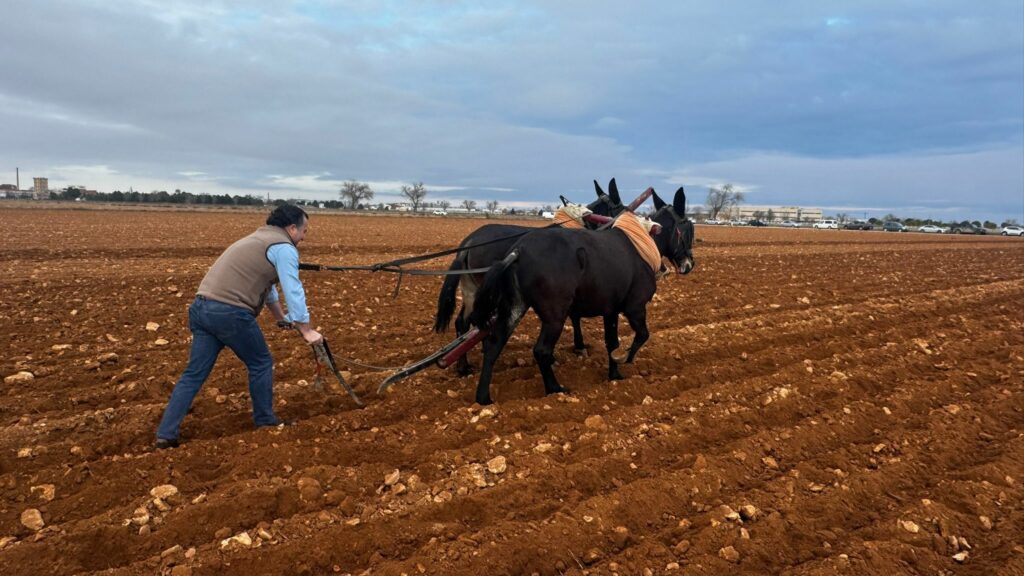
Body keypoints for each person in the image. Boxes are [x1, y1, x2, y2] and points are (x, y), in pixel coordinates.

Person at [154, 204, 321, 449]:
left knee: (193, 374)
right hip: (230, 313)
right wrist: (305, 329)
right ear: (292, 228)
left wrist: (279, 317)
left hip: (201, 308)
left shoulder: (257, 238)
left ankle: (166, 434)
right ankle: (265, 420)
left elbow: (266, 285)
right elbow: (292, 286)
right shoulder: (284, 248)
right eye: (304, 231)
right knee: (261, 362)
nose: (304, 237)